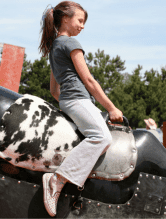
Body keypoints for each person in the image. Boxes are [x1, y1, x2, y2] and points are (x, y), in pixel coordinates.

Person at [39, 1, 123, 216]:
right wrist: (111, 108)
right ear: (65, 18)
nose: (82, 26)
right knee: (101, 137)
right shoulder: (70, 43)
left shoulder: (54, 47)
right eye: (80, 20)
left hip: (69, 100)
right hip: (78, 99)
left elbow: (53, 90)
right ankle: (56, 180)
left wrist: (66, 103)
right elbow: (89, 80)